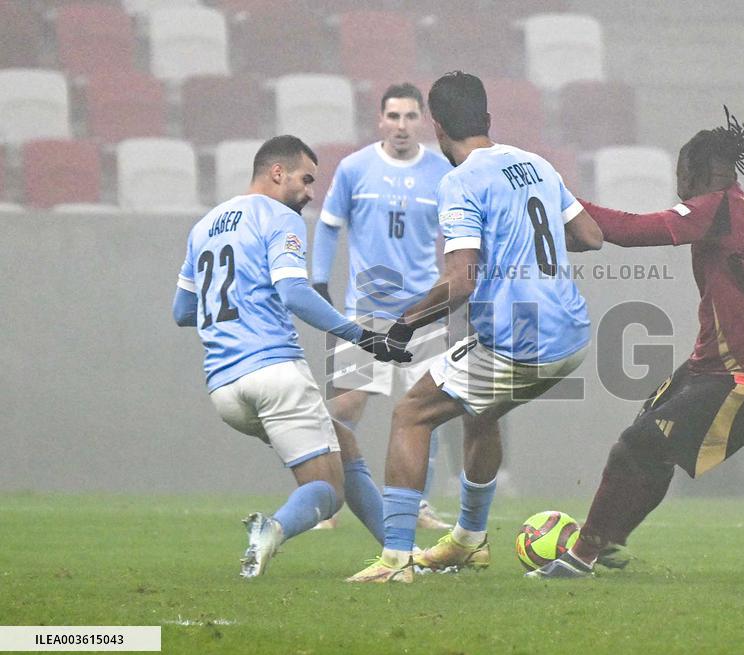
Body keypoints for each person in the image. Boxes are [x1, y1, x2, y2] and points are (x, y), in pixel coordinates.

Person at [528, 108, 744, 578]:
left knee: (635, 446)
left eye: (681, 174)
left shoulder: (715, 209)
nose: (678, 184)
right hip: (712, 369)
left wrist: (559, 200)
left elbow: (633, 231)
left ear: (697, 172)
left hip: (743, 379)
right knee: (645, 445)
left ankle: (582, 556)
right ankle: (607, 539)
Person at [346, 71, 604, 583]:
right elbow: (591, 236)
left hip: (519, 343)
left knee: (411, 413)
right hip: (571, 335)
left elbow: (460, 281)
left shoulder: (460, 181)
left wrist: (404, 323)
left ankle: (395, 560)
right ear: (487, 119)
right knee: (479, 414)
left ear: (437, 128)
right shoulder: (535, 164)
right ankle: (468, 541)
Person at [172, 135, 398, 578]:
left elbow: (183, 311)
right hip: (274, 372)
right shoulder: (278, 216)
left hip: (224, 388)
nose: (311, 193)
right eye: (306, 179)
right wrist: (360, 336)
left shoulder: (204, 227)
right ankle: (271, 529)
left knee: (343, 442)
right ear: (277, 173)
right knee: (327, 491)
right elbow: (294, 292)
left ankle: (400, 551)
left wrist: (235, 308)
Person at [311, 83, 453, 530]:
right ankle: (328, 498)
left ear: (423, 122)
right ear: (380, 120)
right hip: (365, 310)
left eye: (411, 117)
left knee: (429, 408)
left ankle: (419, 504)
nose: (402, 126)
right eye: (394, 116)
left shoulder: (442, 173)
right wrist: (318, 278)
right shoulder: (355, 169)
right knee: (346, 406)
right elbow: (330, 225)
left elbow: (457, 238)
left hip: (423, 313)